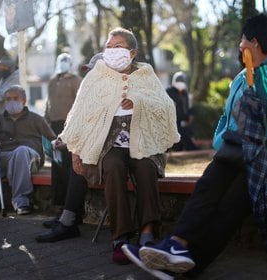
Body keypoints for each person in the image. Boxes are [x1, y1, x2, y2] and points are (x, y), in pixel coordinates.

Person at [123, 14, 267, 279]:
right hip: (244, 152)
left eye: (243, 39)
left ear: (254, 42)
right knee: (209, 183)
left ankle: (190, 267)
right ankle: (177, 245)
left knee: (233, 200)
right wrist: (223, 141)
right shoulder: (243, 76)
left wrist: (257, 68)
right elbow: (227, 115)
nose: (240, 44)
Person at [57, 27, 180, 264]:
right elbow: (80, 114)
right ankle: (121, 238)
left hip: (142, 141)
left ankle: (148, 232)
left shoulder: (146, 75)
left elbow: (166, 107)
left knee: (145, 168)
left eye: (119, 46)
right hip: (108, 146)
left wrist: (138, 102)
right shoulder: (96, 75)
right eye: (109, 47)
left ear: (132, 52)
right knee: (113, 167)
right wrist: (75, 151)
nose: (112, 51)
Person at [35, 53, 103, 243]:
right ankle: (67, 216)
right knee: (65, 166)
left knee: (77, 164)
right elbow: (84, 125)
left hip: (106, 153)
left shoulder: (109, 95)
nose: (90, 76)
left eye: (94, 72)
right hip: (70, 133)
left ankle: (68, 220)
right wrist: (66, 141)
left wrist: (74, 142)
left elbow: (100, 130)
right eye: (89, 71)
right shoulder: (90, 93)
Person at [0, 85, 57, 215]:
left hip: (29, 156)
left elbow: (53, 139)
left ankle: (21, 201)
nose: (11, 102)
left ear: (23, 100)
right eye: (8, 99)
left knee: (21, 151)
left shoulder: (36, 119)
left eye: (15, 98)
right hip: (3, 156)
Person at [44, 53, 82, 216]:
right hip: (54, 125)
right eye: (61, 61)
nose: (64, 64)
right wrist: (46, 120)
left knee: (68, 163)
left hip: (70, 125)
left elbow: (80, 103)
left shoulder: (76, 80)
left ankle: (69, 206)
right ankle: (59, 204)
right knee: (57, 164)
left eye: (66, 61)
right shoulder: (52, 81)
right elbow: (48, 103)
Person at [166, 72, 197, 151]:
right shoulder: (168, 92)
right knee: (180, 137)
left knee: (187, 135)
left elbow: (188, 107)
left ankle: (191, 150)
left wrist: (190, 116)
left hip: (184, 121)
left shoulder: (185, 93)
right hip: (173, 121)